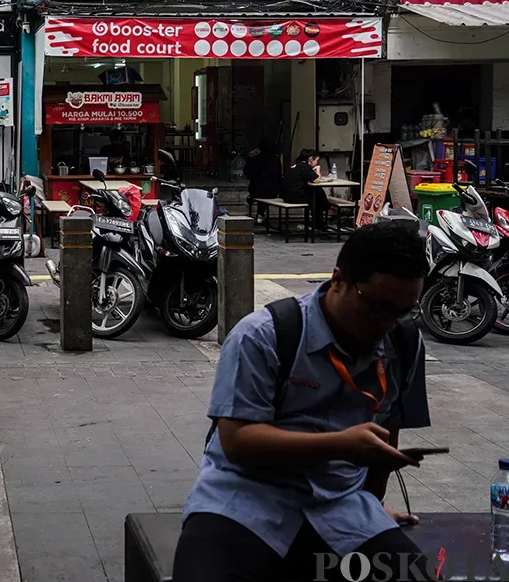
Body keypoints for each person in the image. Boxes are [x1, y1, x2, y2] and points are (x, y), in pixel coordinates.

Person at [173, 222, 432, 582]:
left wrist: (372, 504)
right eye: (378, 307)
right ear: (338, 279)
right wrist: (341, 446)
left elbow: (386, 435)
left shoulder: (403, 344)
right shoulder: (263, 335)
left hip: (342, 505)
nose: (388, 324)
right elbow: (237, 441)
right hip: (244, 500)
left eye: (402, 312)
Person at [283, 149, 331, 230]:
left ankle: (318, 219)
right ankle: (320, 220)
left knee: (316, 192)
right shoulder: (305, 166)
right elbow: (316, 180)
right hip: (296, 197)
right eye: (316, 160)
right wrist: (318, 170)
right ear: (310, 159)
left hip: (286, 196)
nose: (317, 163)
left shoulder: (295, 165)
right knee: (317, 194)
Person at [244, 137, 283, 224]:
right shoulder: (276, 160)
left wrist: (249, 159)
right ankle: (260, 213)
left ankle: (257, 209)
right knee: (265, 187)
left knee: (260, 187)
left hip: (257, 190)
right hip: (273, 191)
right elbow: (279, 175)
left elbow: (246, 171)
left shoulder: (255, 159)